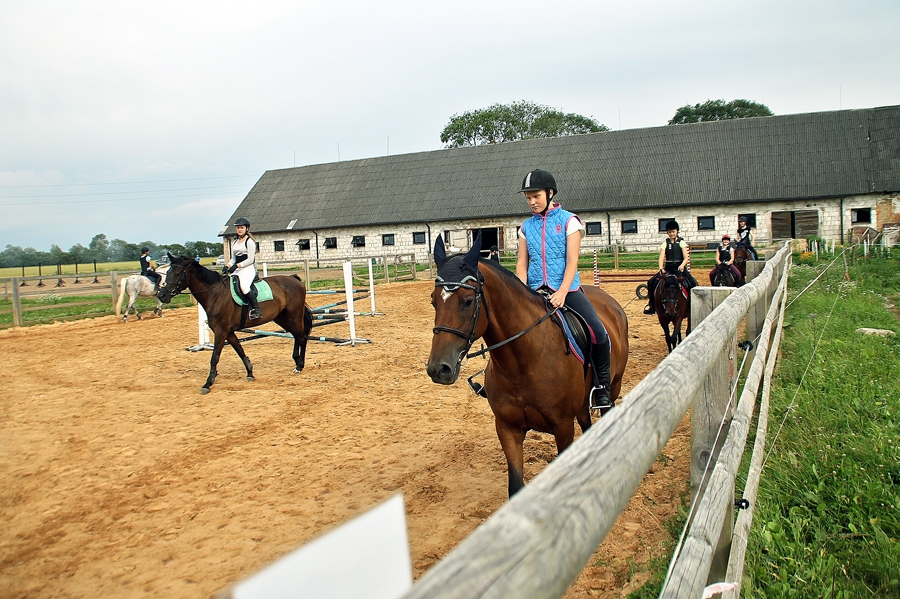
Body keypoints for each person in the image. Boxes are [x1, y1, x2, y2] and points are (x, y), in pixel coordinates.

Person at [515, 169, 613, 411]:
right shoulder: (526, 227)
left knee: (598, 332)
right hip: (534, 290)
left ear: (550, 193)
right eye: (528, 198)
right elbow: (521, 263)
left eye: (535, 196)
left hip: (567, 290)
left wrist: (561, 292)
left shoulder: (569, 221)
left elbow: (572, 261)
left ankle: (602, 388)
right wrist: (520, 292)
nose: (531, 202)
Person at [643, 220, 698, 315]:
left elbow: (686, 258)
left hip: (679, 268)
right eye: (669, 232)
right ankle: (651, 305)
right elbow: (661, 258)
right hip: (668, 268)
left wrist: (682, 265)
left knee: (692, 283)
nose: (671, 234)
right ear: (667, 233)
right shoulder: (665, 243)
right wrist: (661, 268)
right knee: (651, 282)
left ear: (677, 231)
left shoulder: (682, 243)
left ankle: (693, 305)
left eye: (673, 231)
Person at [225, 217, 261, 319]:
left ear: (247, 229)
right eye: (238, 228)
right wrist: (227, 266)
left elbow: (250, 259)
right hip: (237, 269)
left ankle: (256, 309)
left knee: (244, 288)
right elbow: (233, 258)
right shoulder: (235, 242)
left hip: (248, 269)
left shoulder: (249, 242)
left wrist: (237, 265)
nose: (239, 230)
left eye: (241, 228)